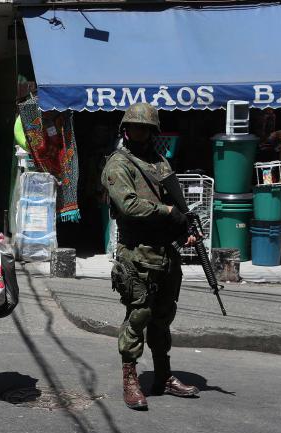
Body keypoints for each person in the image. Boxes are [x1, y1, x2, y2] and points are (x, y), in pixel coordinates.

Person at [101, 103, 200, 411]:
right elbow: (129, 205)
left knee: (162, 317)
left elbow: (175, 200)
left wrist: (185, 226)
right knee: (138, 316)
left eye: (145, 128)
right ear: (125, 130)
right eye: (134, 127)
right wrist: (167, 212)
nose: (140, 132)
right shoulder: (117, 165)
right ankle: (130, 379)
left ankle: (164, 376)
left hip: (165, 254)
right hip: (137, 254)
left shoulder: (158, 162)